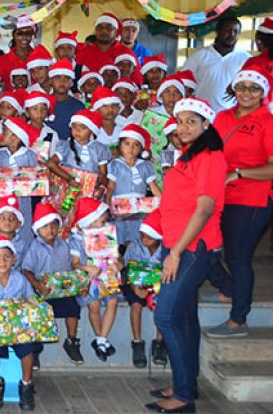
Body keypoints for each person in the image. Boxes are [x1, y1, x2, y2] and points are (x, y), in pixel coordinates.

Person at [147, 97, 226, 413]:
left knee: (165, 315)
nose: (183, 127)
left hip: (192, 248)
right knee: (183, 317)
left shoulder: (210, 156)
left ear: (206, 124)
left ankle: (182, 397)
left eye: (191, 121)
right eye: (180, 122)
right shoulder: (188, 156)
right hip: (178, 244)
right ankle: (187, 384)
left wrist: (176, 253)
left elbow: (205, 208)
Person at [207, 67, 273, 337]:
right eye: (242, 86)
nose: (247, 93)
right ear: (233, 89)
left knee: (238, 257)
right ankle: (230, 291)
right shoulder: (222, 116)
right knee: (210, 249)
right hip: (221, 194)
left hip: (252, 198)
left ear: (263, 94)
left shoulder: (267, 123)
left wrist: (238, 173)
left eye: (254, 88)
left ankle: (238, 319)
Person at [0, 236, 39, 410]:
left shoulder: (21, 280)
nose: (2, 261)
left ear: (13, 259)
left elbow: (32, 299)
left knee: (28, 349)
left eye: (6, 257)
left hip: (18, 330)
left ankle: (26, 384)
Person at [22, 203, 83, 365]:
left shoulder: (64, 244)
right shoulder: (34, 247)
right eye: (45, 226)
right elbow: (26, 270)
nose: (50, 229)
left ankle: (71, 341)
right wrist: (36, 284)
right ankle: (35, 351)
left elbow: (71, 267)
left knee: (73, 308)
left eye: (54, 225)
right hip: (43, 291)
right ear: (37, 230)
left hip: (62, 290)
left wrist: (78, 284)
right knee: (36, 312)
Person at [68, 198, 123, 361]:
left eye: (104, 221)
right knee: (94, 304)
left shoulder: (109, 235)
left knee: (113, 301)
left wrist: (118, 265)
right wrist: (88, 268)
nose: (103, 223)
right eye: (100, 220)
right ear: (89, 221)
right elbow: (75, 264)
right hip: (89, 279)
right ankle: (101, 341)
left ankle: (101, 339)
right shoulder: (77, 240)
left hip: (108, 276)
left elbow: (118, 258)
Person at [123, 209, 167, 368]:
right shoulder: (135, 246)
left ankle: (160, 343)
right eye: (142, 235)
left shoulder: (166, 249)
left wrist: (156, 287)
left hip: (159, 283)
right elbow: (129, 268)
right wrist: (136, 286)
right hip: (136, 281)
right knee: (136, 305)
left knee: (162, 304)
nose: (144, 239)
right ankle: (137, 343)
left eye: (149, 237)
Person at [105, 124, 162, 245]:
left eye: (136, 145)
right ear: (120, 146)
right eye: (127, 144)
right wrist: (107, 204)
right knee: (118, 239)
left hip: (139, 210)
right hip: (119, 208)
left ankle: (133, 258)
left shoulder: (146, 166)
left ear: (141, 149)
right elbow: (110, 187)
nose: (131, 148)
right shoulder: (115, 165)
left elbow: (153, 187)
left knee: (137, 239)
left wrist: (164, 201)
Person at [182, 16, 250, 112]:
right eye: (228, 30)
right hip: (202, 114)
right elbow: (184, 82)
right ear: (218, 31)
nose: (232, 34)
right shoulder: (199, 55)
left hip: (232, 117)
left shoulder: (246, 59)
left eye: (236, 31)